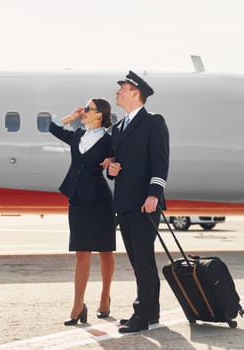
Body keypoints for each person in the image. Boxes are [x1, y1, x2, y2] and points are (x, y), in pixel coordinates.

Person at [108, 71, 170, 333]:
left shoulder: (153, 122)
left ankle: (141, 315)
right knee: (137, 260)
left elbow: (160, 160)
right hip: (124, 204)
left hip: (146, 203)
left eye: (121, 88)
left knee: (143, 260)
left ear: (135, 92)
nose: (117, 93)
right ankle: (150, 311)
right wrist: (110, 169)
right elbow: (111, 163)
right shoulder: (118, 127)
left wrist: (154, 194)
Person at [49, 98, 116, 326]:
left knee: (106, 251)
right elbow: (53, 127)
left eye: (89, 109)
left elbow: (118, 165)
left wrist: (113, 161)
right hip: (77, 198)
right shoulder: (77, 135)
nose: (84, 111)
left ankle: (105, 296)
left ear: (100, 115)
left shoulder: (110, 140)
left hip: (100, 200)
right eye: (85, 108)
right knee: (81, 253)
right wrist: (72, 116)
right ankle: (78, 305)